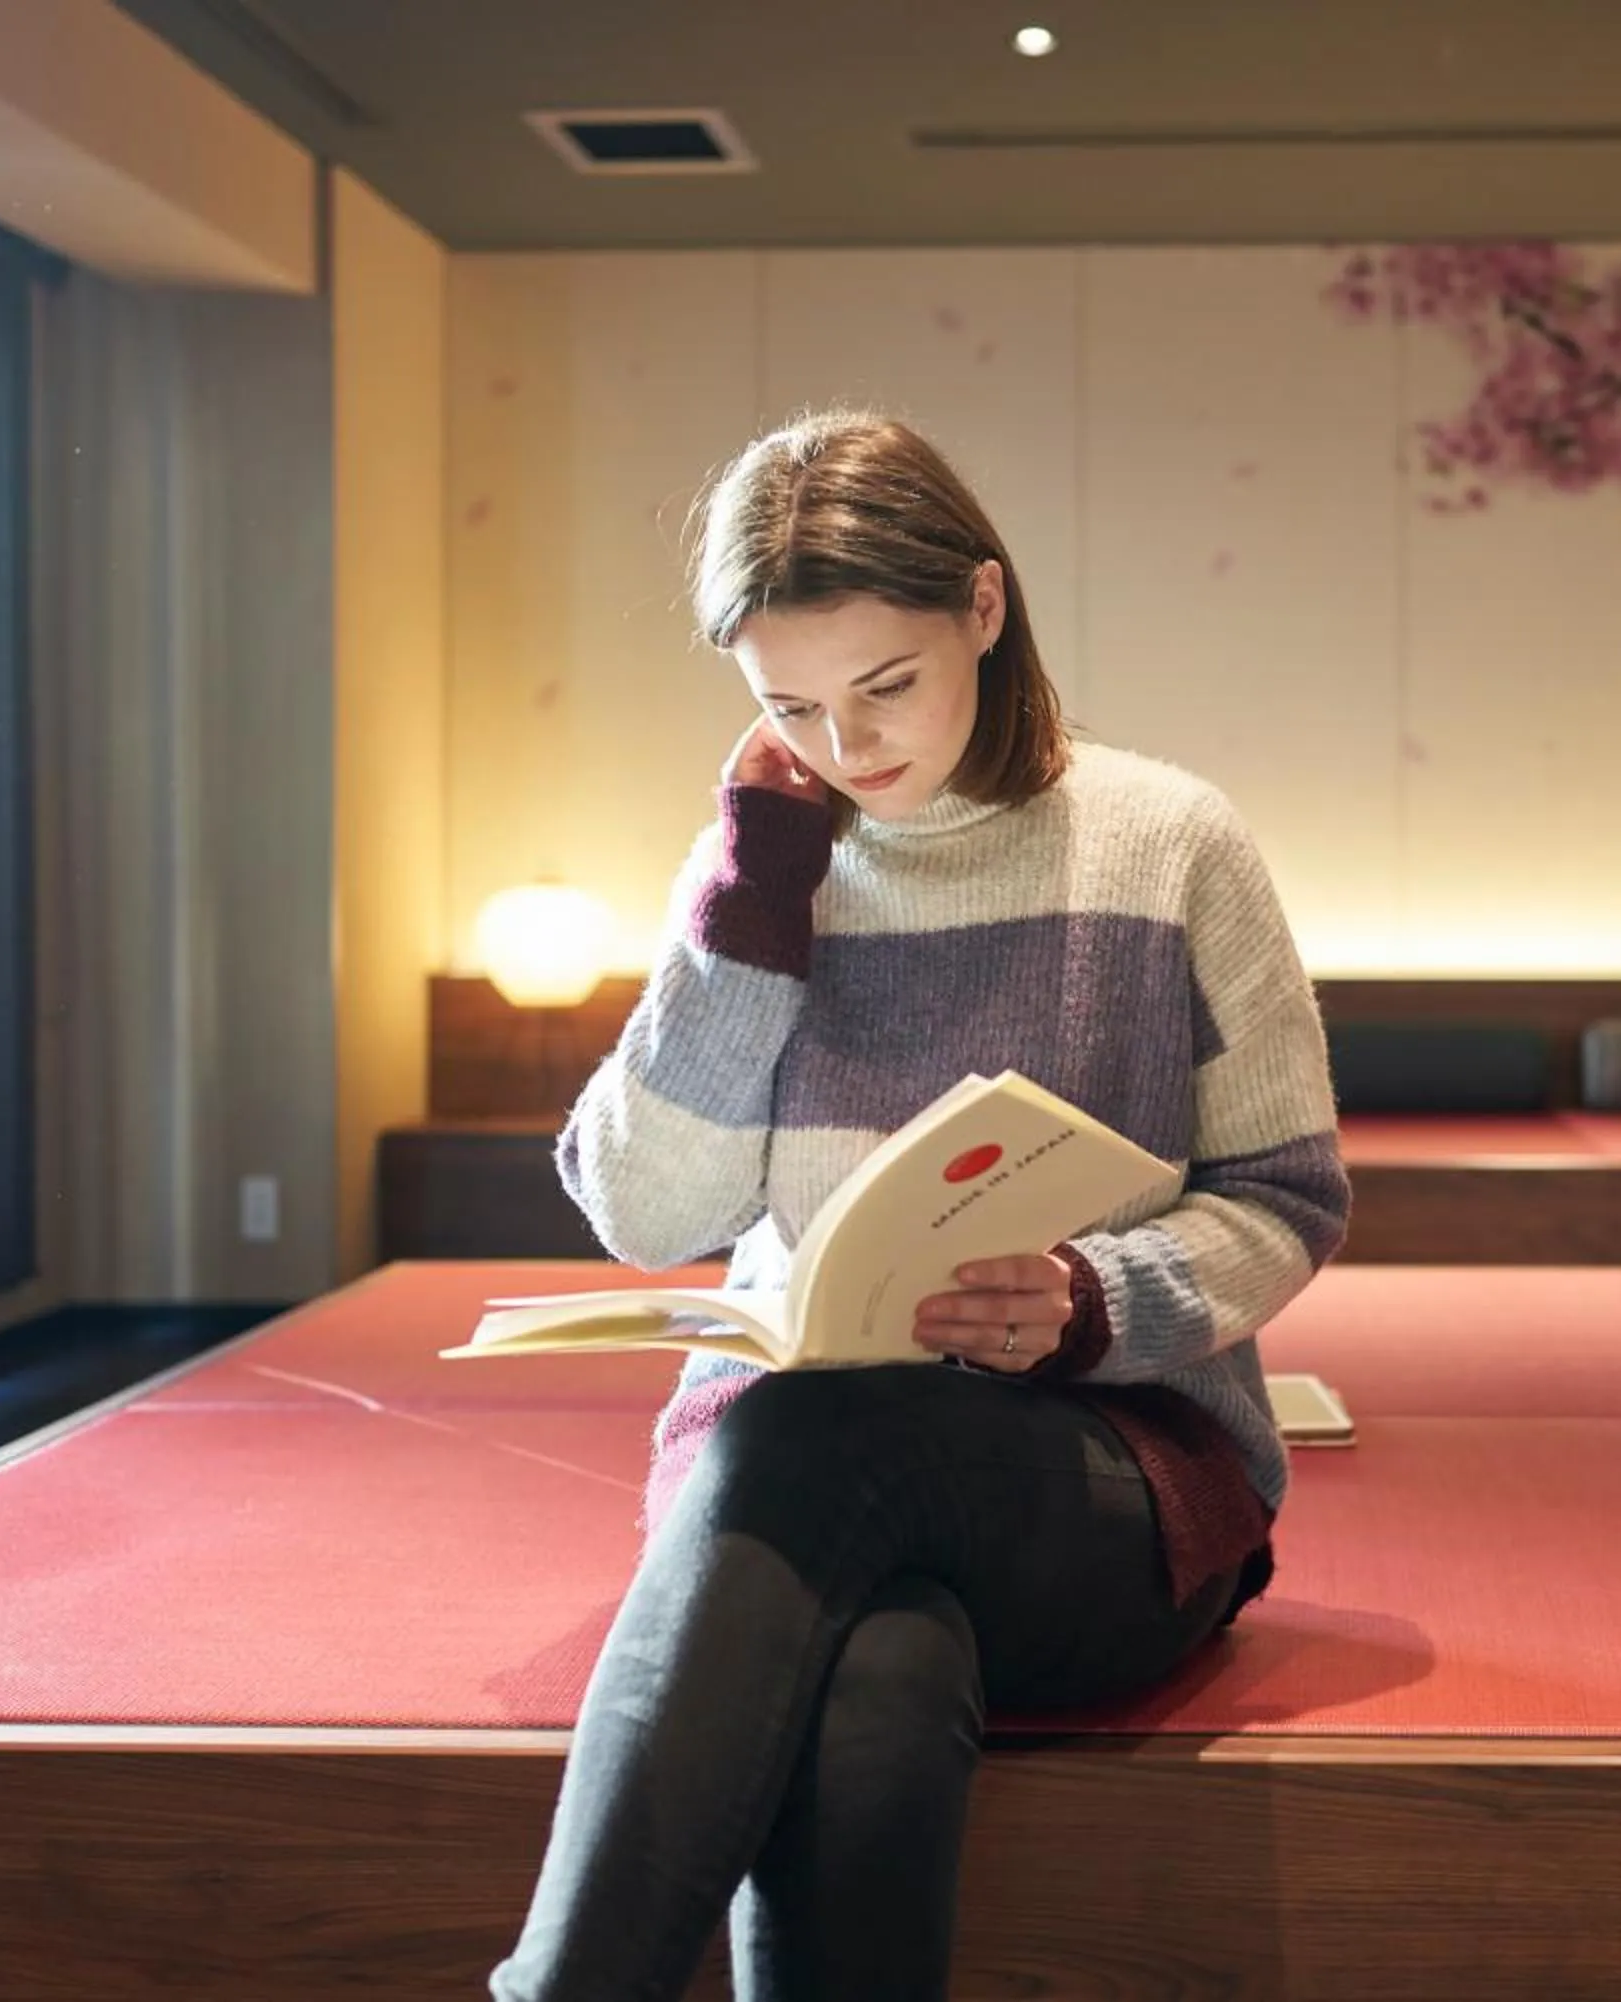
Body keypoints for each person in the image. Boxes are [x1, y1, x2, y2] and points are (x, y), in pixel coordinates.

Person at [490, 410, 1350, 2002]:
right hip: (799, 1478)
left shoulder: (1167, 843)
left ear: (984, 608)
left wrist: (1092, 1299)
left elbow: (1287, 1198)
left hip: (1108, 1482)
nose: (850, 744)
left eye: (885, 684)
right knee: (880, 1663)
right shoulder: (770, 857)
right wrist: (751, 903)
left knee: (811, 1441)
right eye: (791, 706)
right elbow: (638, 1206)